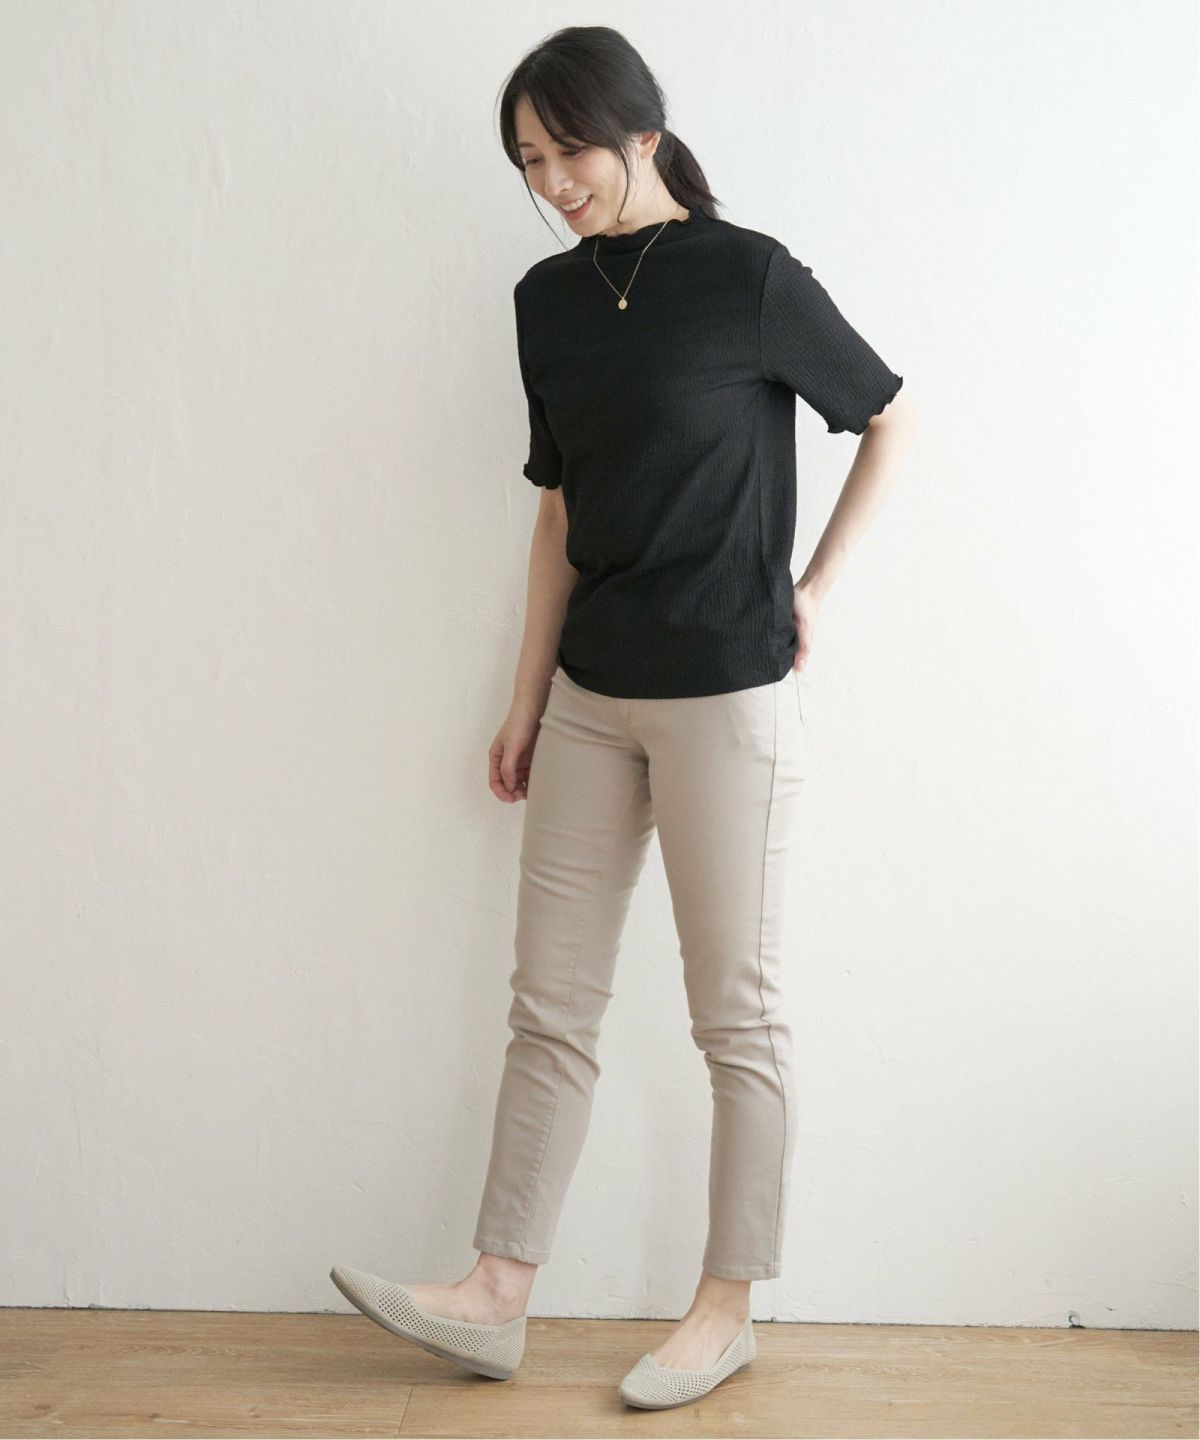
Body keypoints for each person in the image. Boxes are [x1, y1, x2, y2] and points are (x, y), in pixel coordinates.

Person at [331, 23, 916, 1410]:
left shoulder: (748, 277)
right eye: (528, 164)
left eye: (568, 153)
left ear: (641, 134)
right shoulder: (544, 300)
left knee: (737, 1021)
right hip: (593, 698)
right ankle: (495, 1296)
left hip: (727, 696)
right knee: (549, 1010)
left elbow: (889, 418)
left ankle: (726, 1308)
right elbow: (557, 514)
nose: (552, 185)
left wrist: (815, 588)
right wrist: (524, 698)